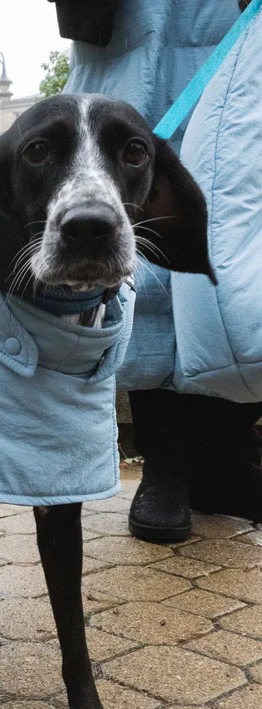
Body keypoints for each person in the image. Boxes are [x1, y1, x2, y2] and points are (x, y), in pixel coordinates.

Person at [48, 0, 262, 541]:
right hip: (127, 34)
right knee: (140, 263)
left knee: (242, 242)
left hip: (242, 29)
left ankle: (227, 458)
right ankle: (165, 466)